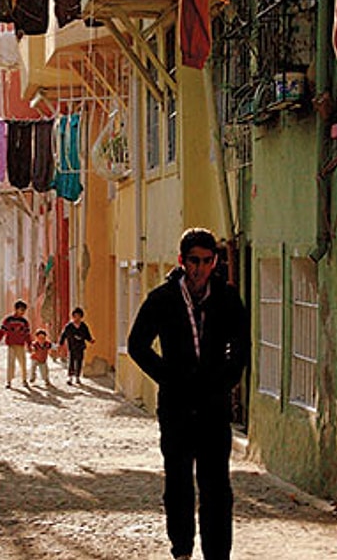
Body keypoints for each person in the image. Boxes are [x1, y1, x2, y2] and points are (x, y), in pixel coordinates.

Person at [127, 227, 250, 560]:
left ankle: (217, 554)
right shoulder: (162, 300)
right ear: (182, 261)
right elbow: (137, 345)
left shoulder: (227, 299)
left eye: (207, 261)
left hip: (213, 407)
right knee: (178, 484)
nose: (200, 268)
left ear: (215, 262)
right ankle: (181, 550)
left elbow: (242, 347)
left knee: (217, 487)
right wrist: (168, 377)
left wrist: (225, 381)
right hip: (176, 408)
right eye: (194, 261)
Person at [0, 299, 31, 389]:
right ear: (16, 309)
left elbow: (27, 334)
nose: (23, 312)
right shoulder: (8, 320)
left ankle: (24, 380)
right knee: (10, 363)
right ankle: (9, 381)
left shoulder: (24, 322)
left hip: (21, 345)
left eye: (24, 310)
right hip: (11, 345)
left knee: (23, 363)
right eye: (21, 310)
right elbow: (2, 331)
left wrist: (29, 344)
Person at [59, 307, 95, 385]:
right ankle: (70, 377)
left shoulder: (83, 326)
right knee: (71, 361)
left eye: (79, 316)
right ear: (73, 316)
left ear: (81, 316)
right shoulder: (69, 326)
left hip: (80, 346)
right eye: (75, 316)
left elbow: (87, 334)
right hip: (72, 346)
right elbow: (64, 335)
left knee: (79, 361)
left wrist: (90, 340)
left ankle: (77, 377)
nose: (77, 318)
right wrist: (61, 343)